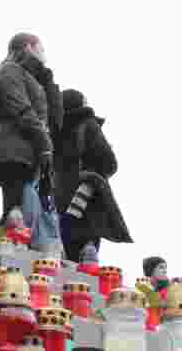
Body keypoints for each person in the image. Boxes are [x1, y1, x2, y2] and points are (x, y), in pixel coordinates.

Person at [0, 33, 63, 252]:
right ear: (29, 46)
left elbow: (57, 119)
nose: (44, 55)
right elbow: (22, 111)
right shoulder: (10, 71)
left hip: (32, 155)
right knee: (18, 216)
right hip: (15, 153)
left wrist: (48, 79)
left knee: (28, 217)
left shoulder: (35, 79)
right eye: (41, 49)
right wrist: (43, 141)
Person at [54, 88, 132, 261]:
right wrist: (90, 177)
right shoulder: (88, 124)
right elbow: (110, 163)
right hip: (87, 203)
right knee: (87, 264)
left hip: (61, 206)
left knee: (66, 262)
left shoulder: (55, 133)